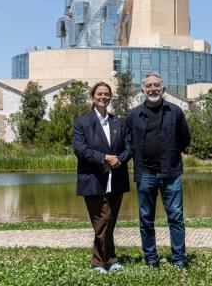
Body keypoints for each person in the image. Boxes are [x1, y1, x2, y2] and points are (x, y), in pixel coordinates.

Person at [126, 72, 190, 269]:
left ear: (163, 88)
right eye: (149, 86)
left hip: (171, 173)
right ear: (143, 89)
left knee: (176, 217)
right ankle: (151, 259)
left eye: (156, 85)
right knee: (146, 218)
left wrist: (170, 156)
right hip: (145, 174)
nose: (153, 89)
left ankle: (178, 259)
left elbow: (184, 139)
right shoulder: (134, 115)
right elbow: (128, 141)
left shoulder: (175, 112)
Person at [73, 82, 131, 273]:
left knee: (110, 220)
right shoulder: (82, 122)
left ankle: (109, 260)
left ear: (110, 97)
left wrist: (118, 160)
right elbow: (80, 149)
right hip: (93, 179)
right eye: (99, 94)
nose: (103, 97)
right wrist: (104, 158)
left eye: (106, 94)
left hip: (116, 178)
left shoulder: (118, 122)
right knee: (102, 220)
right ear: (93, 96)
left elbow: (129, 147)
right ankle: (101, 261)